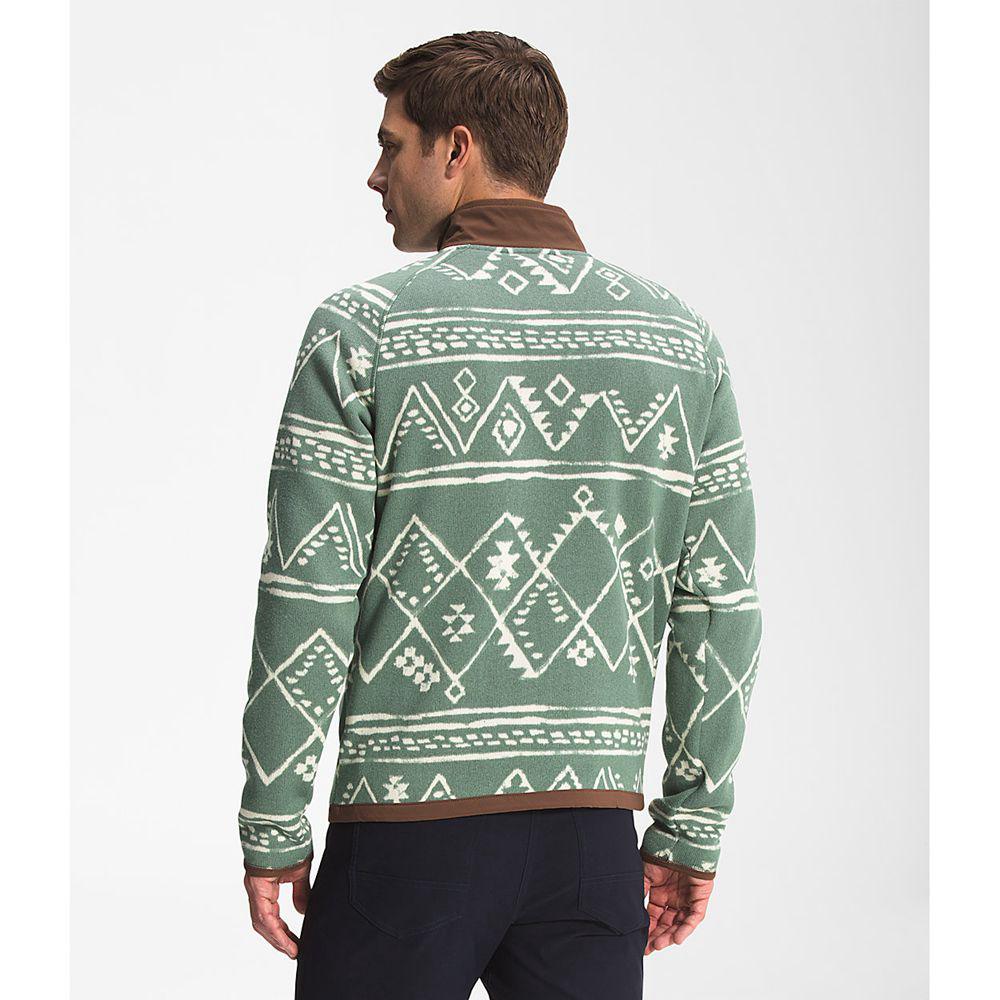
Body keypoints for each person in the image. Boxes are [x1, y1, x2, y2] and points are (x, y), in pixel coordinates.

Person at [238, 30, 762, 1000]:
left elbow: (308, 592)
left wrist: (272, 820)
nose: (375, 175)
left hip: (403, 840)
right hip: (590, 841)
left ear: (457, 147)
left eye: (391, 146)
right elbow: (718, 604)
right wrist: (690, 825)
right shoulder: (679, 342)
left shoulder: (364, 330)